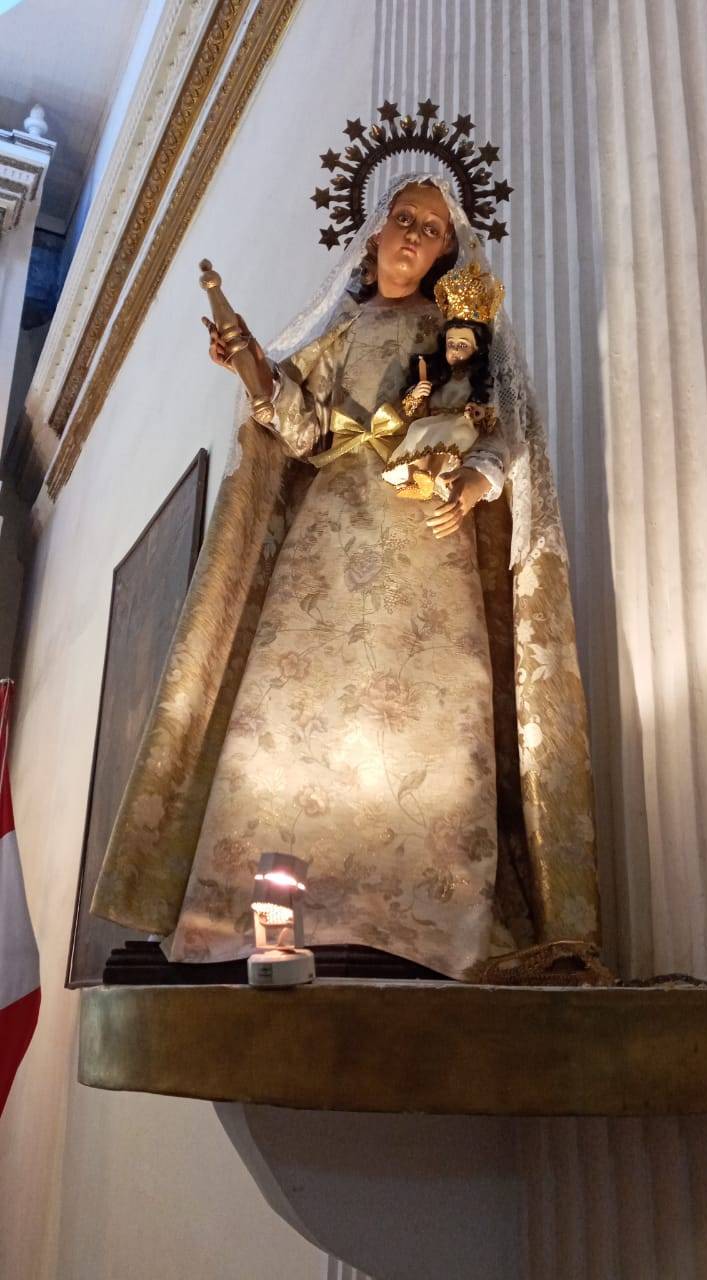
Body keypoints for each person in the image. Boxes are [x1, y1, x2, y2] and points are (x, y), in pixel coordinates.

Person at [91, 174, 600, 981]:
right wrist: (251, 367)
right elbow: (303, 427)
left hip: (426, 546)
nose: (413, 235)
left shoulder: (462, 334)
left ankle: (427, 917)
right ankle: (271, 907)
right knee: (292, 712)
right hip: (326, 541)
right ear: (374, 232)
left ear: (448, 250)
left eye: (432, 228)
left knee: (427, 721)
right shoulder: (344, 333)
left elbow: (505, 427)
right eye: (404, 219)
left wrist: (474, 484)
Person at [381, 261, 505, 502]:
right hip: (433, 420)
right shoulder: (439, 375)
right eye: (451, 344)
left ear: (477, 349)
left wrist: (478, 412)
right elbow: (411, 410)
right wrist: (417, 394)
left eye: (463, 345)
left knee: (444, 437)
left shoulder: (479, 379)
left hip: (460, 423)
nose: (456, 350)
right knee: (418, 429)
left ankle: (429, 474)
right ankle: (417, 478)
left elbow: (491, 412)